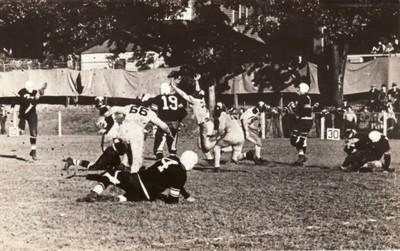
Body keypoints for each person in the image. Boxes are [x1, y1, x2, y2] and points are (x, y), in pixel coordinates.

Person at [64, 97, 173, 173]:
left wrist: (103, 116)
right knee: (134, 163)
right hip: (135, 133)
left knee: (117, 162)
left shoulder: (131, 107)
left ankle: (120, 155)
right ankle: (128, 170)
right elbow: (163, 125)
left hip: (122, 133)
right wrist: (169, 133)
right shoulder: (150, 113)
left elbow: (115, 108)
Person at [74, 151, 198, 203]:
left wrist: (186, 194)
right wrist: (184, 196)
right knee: (134, 193)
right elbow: (172, 200)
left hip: (137, 180)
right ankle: (120, 198)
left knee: (111, 173)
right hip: (148, 195)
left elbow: (175, 181)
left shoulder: (171, 158)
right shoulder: (181, 175)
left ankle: (94, 193)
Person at [170, 74, 214, 162]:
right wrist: (197, 80)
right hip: (208, 123)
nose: (194, 92)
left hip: (205, 124)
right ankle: (210, 159)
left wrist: (174, 87)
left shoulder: (195, 101)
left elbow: (183, 94)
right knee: (200, 144)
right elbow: (198, 90)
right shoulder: (202, 99)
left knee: (204, 145)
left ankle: (221, 147)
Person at [206, 102, 255, 171]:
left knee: (217, 147)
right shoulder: (229, 115)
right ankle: (247, 154)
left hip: (232, 135)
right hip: (241, 136)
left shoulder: (222, 116)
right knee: (235, 158)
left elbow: (221, 129)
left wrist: (216, 136)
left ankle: (217, 167)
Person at [150, 82, 187, 159]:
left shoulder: (158, 98)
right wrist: (178, 120)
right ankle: (172, 153)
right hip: (174, 123)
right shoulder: (176, 98)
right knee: (173, 140)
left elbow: (153, 111)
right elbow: (183, 112)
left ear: (162, 89)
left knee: (161, 139)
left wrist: (156, 121)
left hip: (163, 122)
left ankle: (159, 153)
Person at [17, 80, 47, 160]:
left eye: (30, 87)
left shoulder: (35, 92)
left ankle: (33, 151)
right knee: (20, 131)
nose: (29, 88)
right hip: (23, 114)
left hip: (31, 114)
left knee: (33, 133)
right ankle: (21, 128)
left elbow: (36, 101)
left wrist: (38, 96)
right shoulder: (22, 91)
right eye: (28, 87)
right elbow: (19, 100)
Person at [290, 82, 313, 166]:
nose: (297, 90)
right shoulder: (308, 97)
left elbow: (298, 113)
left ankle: (301, 156)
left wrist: (292, 108)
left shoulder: (301, 98)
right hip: (308, 121)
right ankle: (301, 156)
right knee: (302, 140)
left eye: (299, 88)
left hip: (303, 121)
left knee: (294, 140)